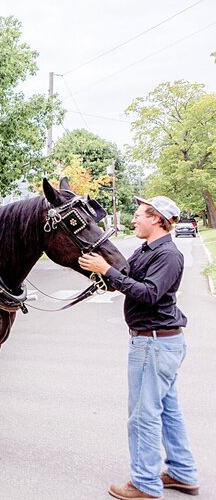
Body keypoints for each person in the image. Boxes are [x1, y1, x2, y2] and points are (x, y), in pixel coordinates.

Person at [79, 196, 199, 500]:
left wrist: (108, 271)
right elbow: (125, 280)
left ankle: (144, 483)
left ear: (157, 219)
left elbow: (149, 295)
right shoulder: (146, 250)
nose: (133, 219)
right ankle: (182, 473)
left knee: (143, 416)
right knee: (168, 412)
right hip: (157, 343)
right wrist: (101, 271)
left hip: (154, 343)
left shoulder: (169, 255)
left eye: (139, 215)